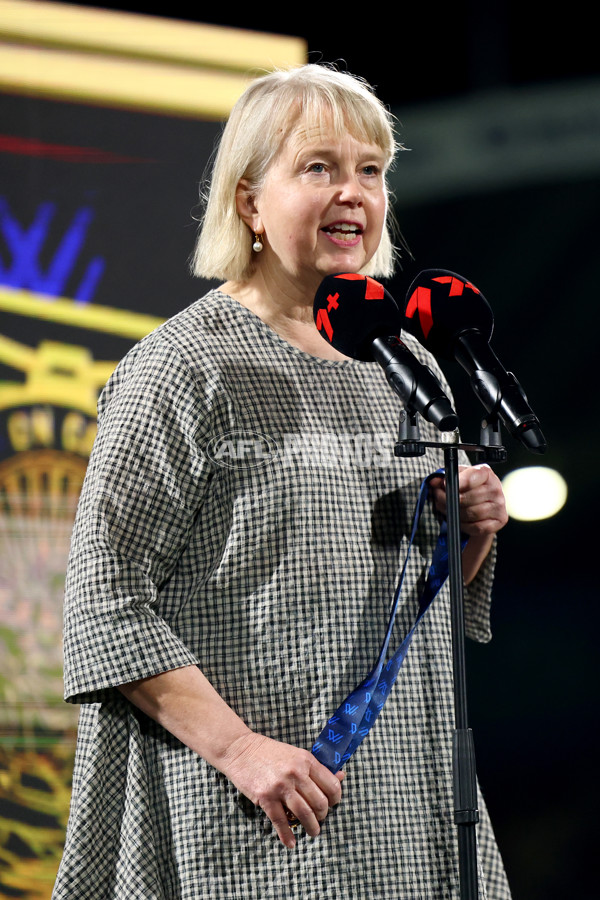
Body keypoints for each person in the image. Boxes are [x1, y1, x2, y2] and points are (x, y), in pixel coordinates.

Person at [53, 64, 511, 898]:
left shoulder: (406, 366)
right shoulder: (183, 367)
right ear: (249, 201)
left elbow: (421, 613)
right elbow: (103, 604)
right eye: (319, 167)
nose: (355, 193)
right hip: (253, 812)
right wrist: (243, 752)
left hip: (409, 808)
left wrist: (468, 532)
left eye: (371, 171)